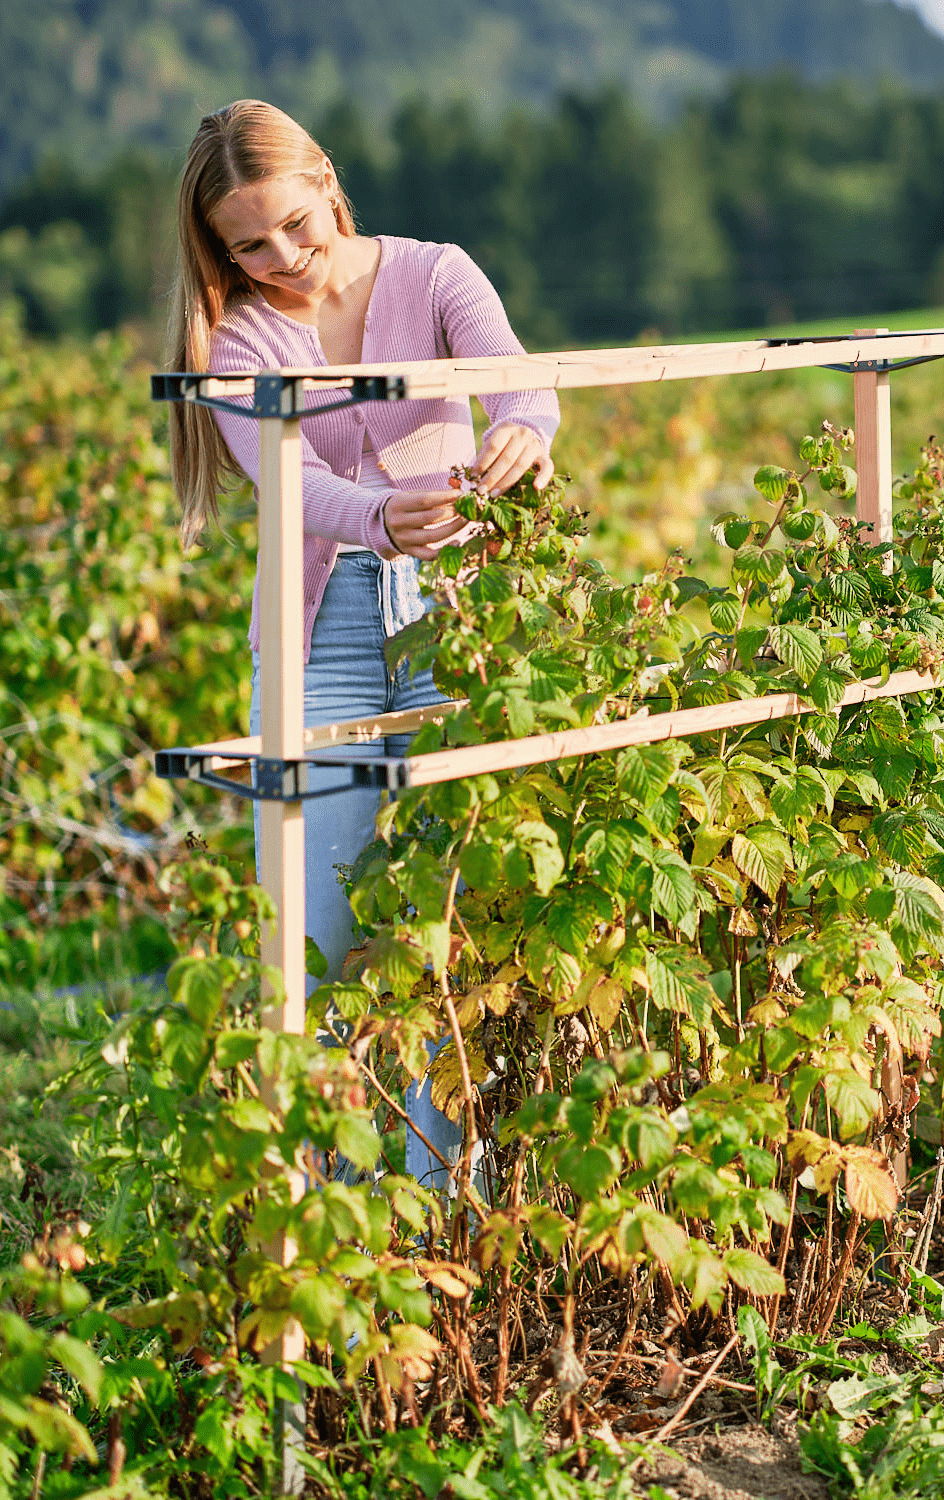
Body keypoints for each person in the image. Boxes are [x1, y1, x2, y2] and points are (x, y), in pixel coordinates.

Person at [165, 99, 560, 1188]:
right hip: (323, 641)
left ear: (330, 184)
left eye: (297, 224)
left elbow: (518, 376)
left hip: (452, 625)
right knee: (326, 953)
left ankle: (446, 1222)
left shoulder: (435, 274)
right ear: (217, 249)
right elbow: (289, 476)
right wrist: (382, 518)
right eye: (248, 243)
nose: (283, 258)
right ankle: (332, 1246)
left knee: (446, 947)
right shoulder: (238, 334)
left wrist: (523, 426)